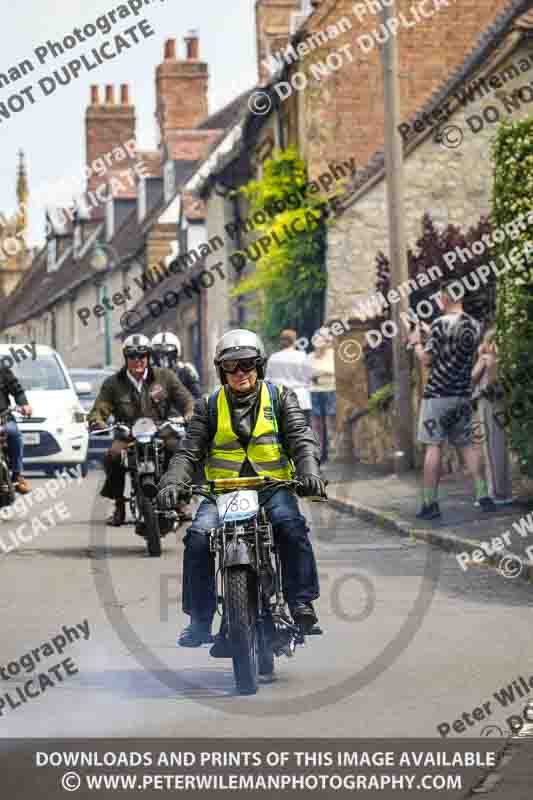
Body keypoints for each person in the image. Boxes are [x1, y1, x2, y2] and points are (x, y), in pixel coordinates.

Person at [157, 328, 325, 650]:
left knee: (290, 527)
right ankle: (201, 620)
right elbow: (188, 452)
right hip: (223, 491)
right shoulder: (208, 405)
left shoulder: (280, 397)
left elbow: (302, 440)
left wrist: (309, 472)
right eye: (231, 366)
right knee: (197, 538)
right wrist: (173, 482)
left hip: (272, 486)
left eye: (246, 364)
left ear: (259, 366)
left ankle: (301, 602)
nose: (239, 373)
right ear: (222, 370)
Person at [88, 334, 194, 526]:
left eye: (142, 356)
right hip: (127, 433)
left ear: (148, 356)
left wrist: (189, 413)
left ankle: (180, 501)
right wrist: (97, 421)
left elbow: (185, 398)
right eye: (132, 356)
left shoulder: (165, 377)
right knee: (113, 456)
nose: (137, 361)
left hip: (161, 429)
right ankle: (119, 504)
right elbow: (100, 408)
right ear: (125, 357)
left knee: (178, 451)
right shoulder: (113, 383)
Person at [412, 280, 496, 519]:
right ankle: (483, 495)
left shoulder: (439, 325)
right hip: (461, 395)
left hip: (437, 396)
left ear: (445, 299)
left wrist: (416, 343)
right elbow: (457, 344)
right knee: (467, 445)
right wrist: (431, 333)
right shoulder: (474, 325)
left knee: (433, 446)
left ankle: (430, 503)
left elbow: (427, 360)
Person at [471, 326, 512, 505]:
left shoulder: (489, 359)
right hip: (496, 403)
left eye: (486, 342)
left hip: (489, 404)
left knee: (491, 447)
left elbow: (472, 377)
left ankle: (497, 493)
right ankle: (500, 491)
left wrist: (482, 358)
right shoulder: (498, 359)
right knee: (496, 446)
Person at [265, 329, 313, 425]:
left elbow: (268, 380)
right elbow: (309, 377)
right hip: (301, 399)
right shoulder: (302, 356)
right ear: (295, 341)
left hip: (280, 399)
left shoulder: (273, 358)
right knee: (302, 430)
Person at [0, 363, 32, 494]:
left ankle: (17, 475)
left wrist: (24, 404)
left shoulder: (2, 370)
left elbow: (17, 390)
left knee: (14, 434)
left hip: (2, 417)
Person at [308, 329, 337, 463]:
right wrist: (324, 373)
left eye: (322, 339)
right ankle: (319, 451)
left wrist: (319, 373)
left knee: (331, 421)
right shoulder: (310, 357)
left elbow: (334, 371)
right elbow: (307, 373)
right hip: (314, 391)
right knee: (317, 423)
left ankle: (332, 450)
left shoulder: (333, 355)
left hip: (330, 390)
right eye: (317, 339)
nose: (318, 342)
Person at [151, 332, 202, 400]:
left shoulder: (185, 371)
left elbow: (197, 397)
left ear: (176, 354)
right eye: (159, 354)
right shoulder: (147, 373)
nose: (163, 358)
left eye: (168, 354)